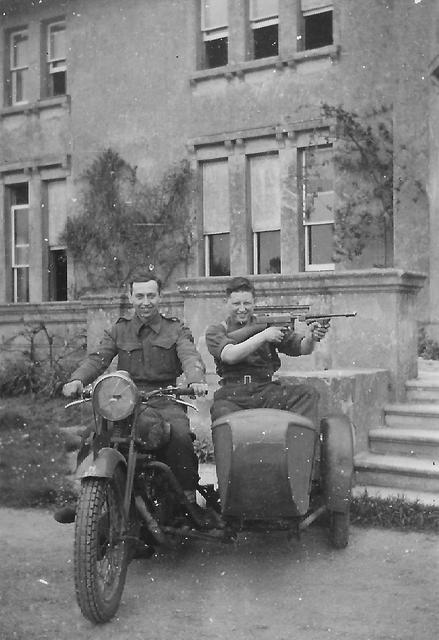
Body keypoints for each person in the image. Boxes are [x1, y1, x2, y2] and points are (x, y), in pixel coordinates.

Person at [55, 274, 208, 524]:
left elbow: (189, 355)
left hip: (164, 397)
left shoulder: (175, 328)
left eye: (150, 296)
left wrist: (195, 379)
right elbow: (98, 358)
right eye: (139, 296)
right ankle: (86, 498)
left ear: (160, 297)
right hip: (126, 398)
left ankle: (187, 501)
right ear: (131, 298)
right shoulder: (119, 329)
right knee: (92, 433)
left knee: (179, 436)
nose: (145, 302)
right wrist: (78, 380)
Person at [205, 277, 329, 424]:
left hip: (265, 390)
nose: (242, 309)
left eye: (247, 303)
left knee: (307, 394)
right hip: (233, 394)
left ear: (254, 303)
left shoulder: (267, 324)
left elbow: (302, 348)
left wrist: (311, 337)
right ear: (226, 302)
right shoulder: (216, 331)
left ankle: (299, 446)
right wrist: (263, 336)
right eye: (236, 304)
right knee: (222, 414)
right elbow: (229, 355)